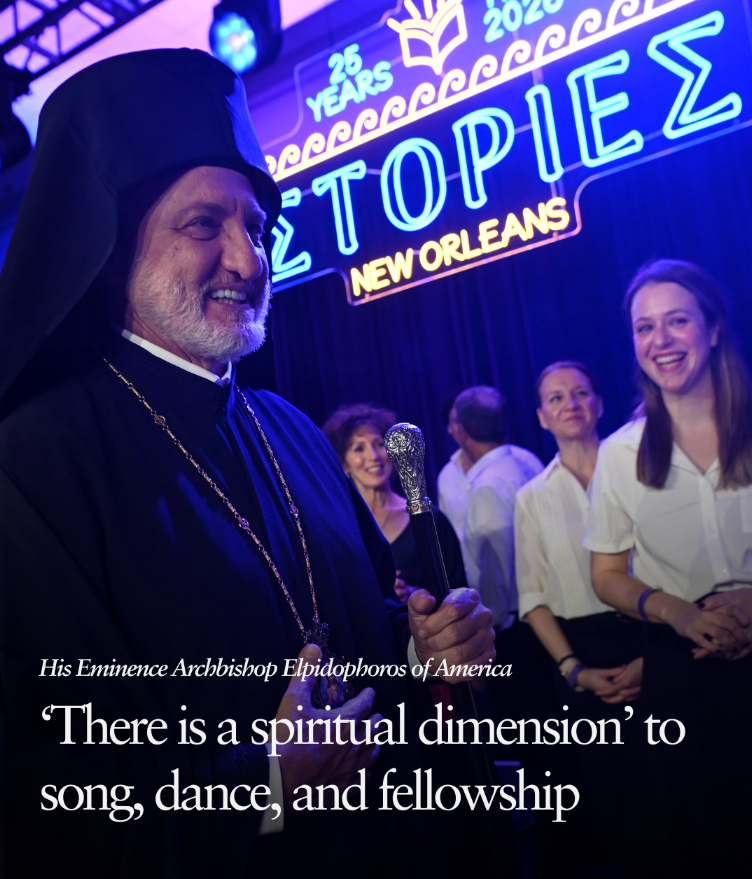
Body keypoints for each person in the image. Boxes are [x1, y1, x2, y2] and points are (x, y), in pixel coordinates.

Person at [0, 50, 496, 878]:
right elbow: (35, 774)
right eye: (205, 225)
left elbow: (355, 629)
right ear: (110, 250)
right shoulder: (34, 461)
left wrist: (421, 650)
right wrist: (262, 784)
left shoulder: (292, 429)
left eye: (257, 230)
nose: (248, 259)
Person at [584, 259, 752, 876]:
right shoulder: (620, 452)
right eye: (644, 327)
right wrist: (678, 613)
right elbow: (606, 575)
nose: (660, 340)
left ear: (713, 328)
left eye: (677, 321)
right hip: (684, 677)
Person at [514, 361, 643, 875]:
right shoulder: (531, 496)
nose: (570, 403)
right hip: (579, 655)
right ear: (541, 417)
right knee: (611, 804)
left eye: (580, 392)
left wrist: (654, 656)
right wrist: (574, 670)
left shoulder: (638, 469)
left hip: (652, 641)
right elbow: (532, 598)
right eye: (556, 397)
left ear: (599, 403)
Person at [322, 403, 467, 603]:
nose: (373, 457)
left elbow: (459, 591)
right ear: (344, 463)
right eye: (359, 448)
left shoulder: (430, 517)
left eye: (379, 444)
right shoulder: (338, 526)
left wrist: (413, 594)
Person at [441, 386, 543, 628]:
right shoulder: (526, 463)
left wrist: (492, 619)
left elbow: (495, 567)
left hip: (512, 618)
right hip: (538, 608)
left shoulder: (488, 486)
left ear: (461, 430)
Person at [438, 390, 543, 545]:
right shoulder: (447, 477)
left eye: (458, 421)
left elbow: (496, 556)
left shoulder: (525, 461)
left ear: (462, 430)